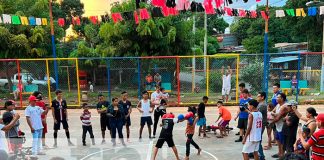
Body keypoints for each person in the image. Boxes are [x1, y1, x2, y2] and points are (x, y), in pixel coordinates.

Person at [271, 93, 289, 159]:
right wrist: (276, 114)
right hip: (278, 125)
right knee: (278, 140)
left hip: (282, 127)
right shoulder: (278, 105)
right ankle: (279, 153)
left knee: (282, 142)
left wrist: (270, 123)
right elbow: (272, 112)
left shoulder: (284, 106)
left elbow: (277, 117)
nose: (276, 98)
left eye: (278, 97)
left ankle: (282, 155)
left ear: (282, 99)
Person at [256, 92, 267, 160]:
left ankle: (262, 156)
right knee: (257, 139)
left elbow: (256, 114)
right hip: (260, 124)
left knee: (258, 140)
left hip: (260, 125)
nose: (257, 97)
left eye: (258, 96)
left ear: (262, 97)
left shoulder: (262, 105)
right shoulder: (260, 104)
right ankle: (255, 153)